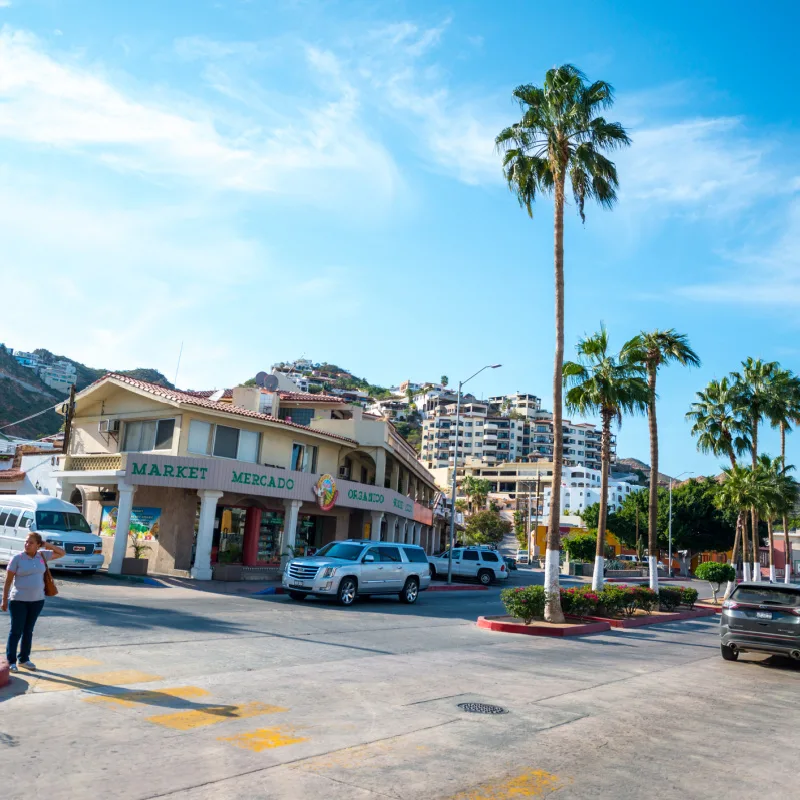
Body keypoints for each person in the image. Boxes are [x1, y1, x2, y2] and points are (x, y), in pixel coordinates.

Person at [2, 532, 65, 673]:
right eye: (26, 542)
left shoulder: (42, 555)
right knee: (16, 631)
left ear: (38, 545)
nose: (27, 545)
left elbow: (61, 553)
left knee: (28, 631)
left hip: (37, 601)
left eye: (31, 542)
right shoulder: (17, 558)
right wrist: (4, 599)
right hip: (18, 600)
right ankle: (11, 661)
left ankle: (24, 659)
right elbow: (7, 582)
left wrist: (46, 544)